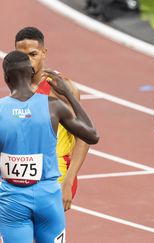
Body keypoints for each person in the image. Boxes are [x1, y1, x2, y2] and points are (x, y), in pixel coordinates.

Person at [0, 51, 99, 243]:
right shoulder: (53, 106)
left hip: (13, 200)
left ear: (5, 78)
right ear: (31, 73)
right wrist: (68, 94)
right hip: (48, 198)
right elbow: (92, 135)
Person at [15, 26, 90, 211]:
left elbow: (84, 136)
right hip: (24, 175)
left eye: (33, 54)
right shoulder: (17, 85)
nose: (28, 61)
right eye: (22, 56)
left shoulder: (61, 88)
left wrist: (68, 181)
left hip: (56, 174)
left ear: (44, 52)